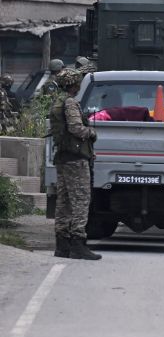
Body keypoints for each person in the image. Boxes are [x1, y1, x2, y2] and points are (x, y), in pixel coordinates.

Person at [50, 68, 101, 261]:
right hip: (75, 158)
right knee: (80, 200)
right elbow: (75, 128)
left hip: (63, 157)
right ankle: (78, 244)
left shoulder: (58, 101)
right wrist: (91, 132)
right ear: (74, 84)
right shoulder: (70, 103)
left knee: (63, 202)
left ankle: (61, 245)